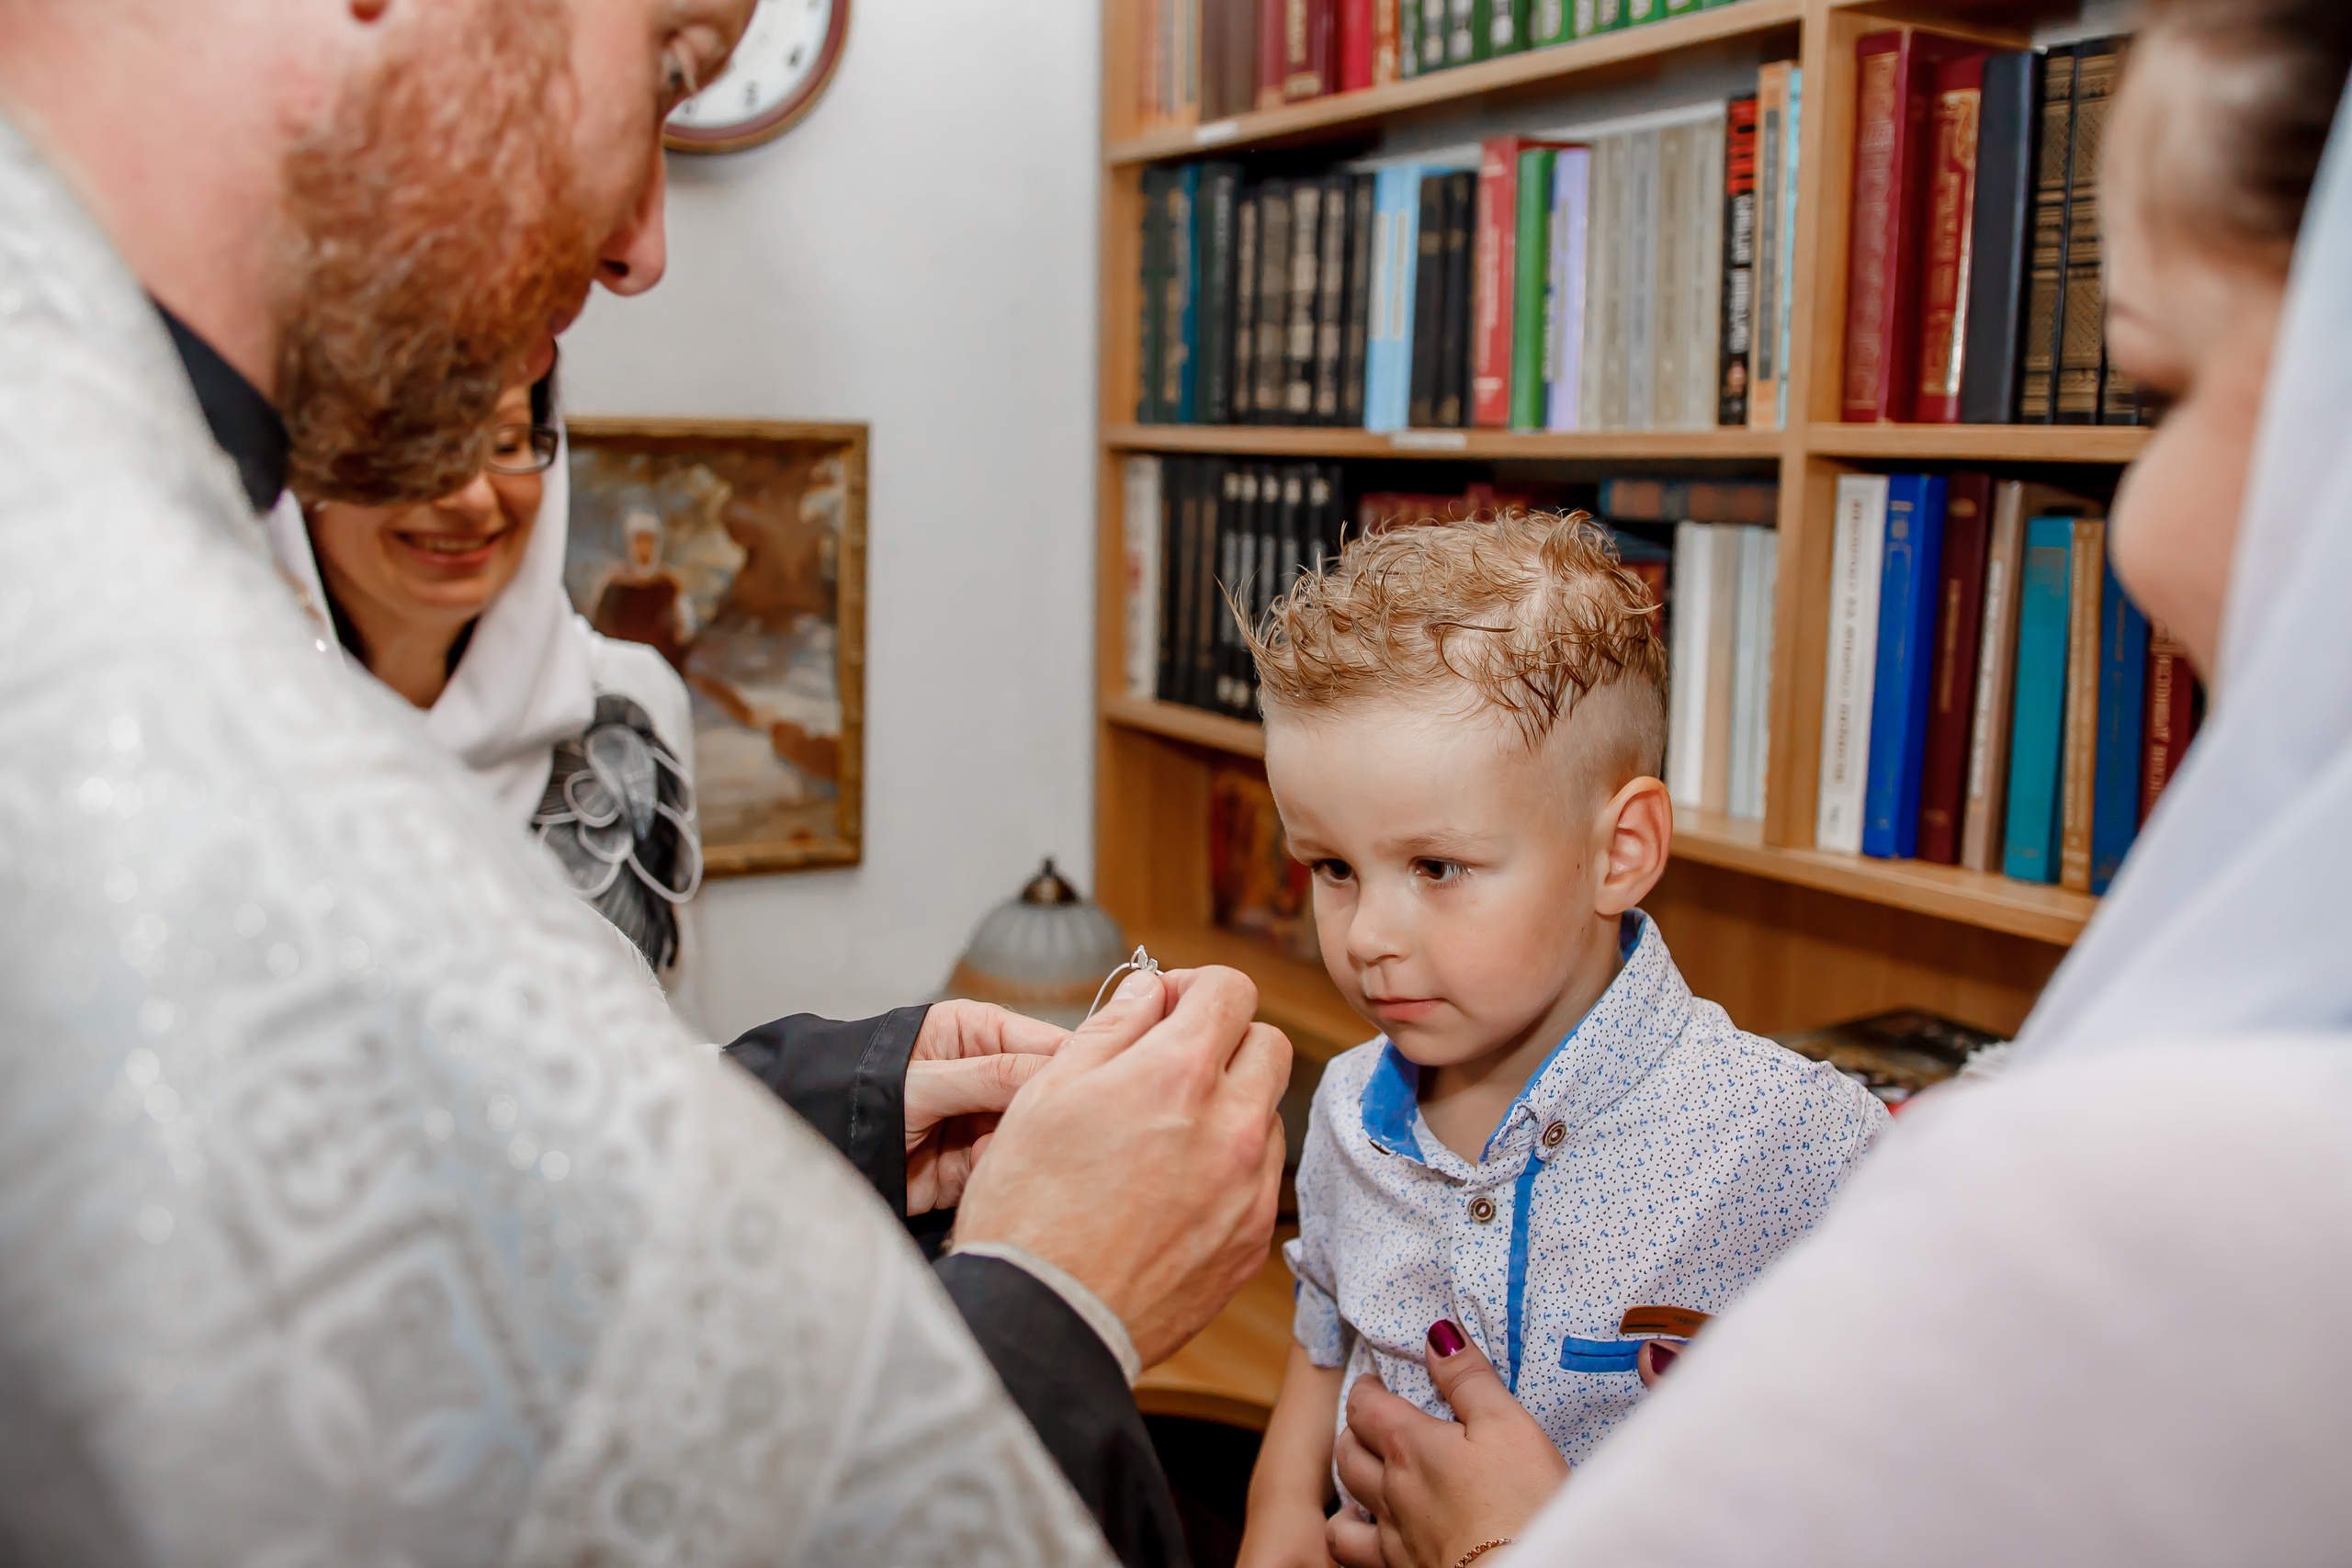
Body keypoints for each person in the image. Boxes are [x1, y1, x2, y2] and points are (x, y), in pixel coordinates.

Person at [0, 3, 1288, 1563]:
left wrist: (854, 1109)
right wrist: (1050, 1306)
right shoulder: (98, 644)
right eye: (670, 66)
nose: (641, 250)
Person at [1321, 4, 2352, 1562]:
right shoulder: (1349, 1109)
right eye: (1328, 865)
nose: (2131, 528)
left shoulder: (1950, 1161)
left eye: (2163, 389)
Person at [1233, 513, 1888, 1567]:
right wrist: (1273, 1528)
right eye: (1330, 868)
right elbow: (1323, 1347)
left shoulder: (1802, 1143)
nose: (1366, 938)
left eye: (1436, 868)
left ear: (1620, 852)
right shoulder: (1348, 1108)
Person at [275, 372, 706, 976]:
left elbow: (674, 1019)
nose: (471, 495)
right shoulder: (227, 727)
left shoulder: (632, 698)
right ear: (299, 467)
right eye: (414, 443)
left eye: (506, 444)